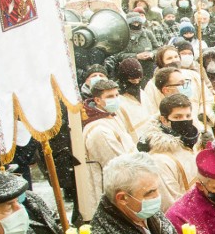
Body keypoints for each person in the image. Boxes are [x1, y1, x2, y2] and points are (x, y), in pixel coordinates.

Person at [81, 79, 136, 219]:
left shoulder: (111, 116)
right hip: (111, 189)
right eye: (110, 97)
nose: (116, 99)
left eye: (117, 95)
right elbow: (116, 163)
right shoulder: (99, 130)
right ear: (97, 100)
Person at [138, 94, 200, 211]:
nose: (184, 121)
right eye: (177, 117)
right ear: (164, 120)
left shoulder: (190, 142)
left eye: (188, 116)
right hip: (186, 217)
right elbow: (170, 203)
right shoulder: (160, 159)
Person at [114, 58, 149, 143]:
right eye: (132, 80)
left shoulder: (142, 93)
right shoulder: (118, 100)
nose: (136, 82)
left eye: (139, 79)